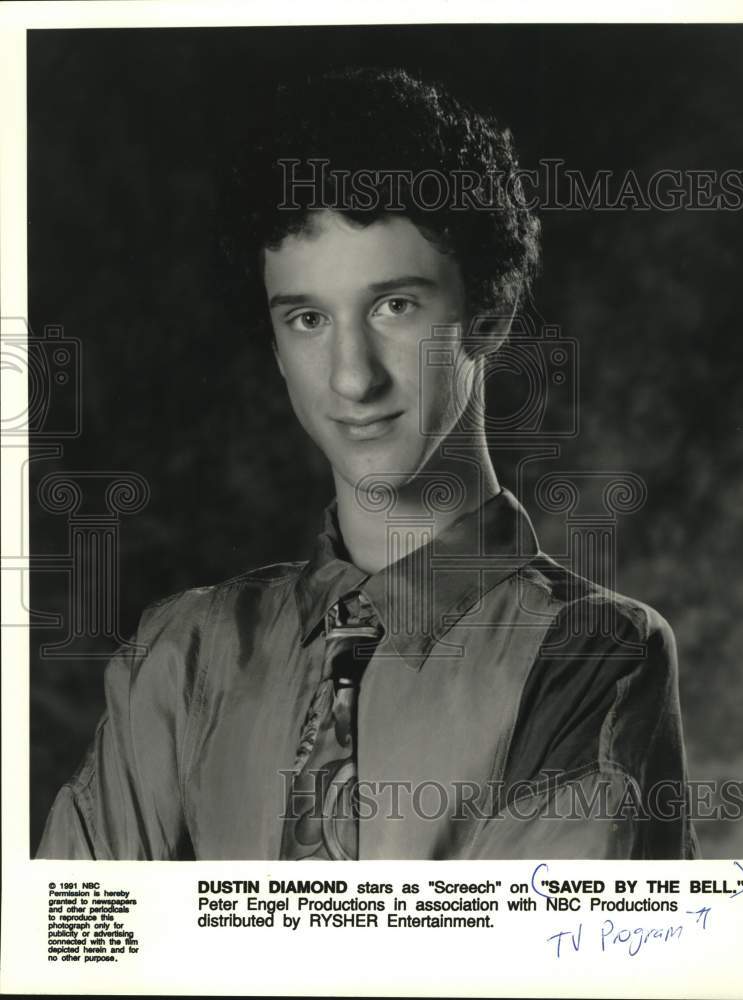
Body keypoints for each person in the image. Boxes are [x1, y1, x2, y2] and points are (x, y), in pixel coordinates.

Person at [36, 67, 698, 860]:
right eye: (308, 318)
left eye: (395, 306)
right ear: (277, 346)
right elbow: (79, 949)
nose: (352, 377)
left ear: (487, 318)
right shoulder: (183, 651)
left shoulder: (588, 652)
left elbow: (531, 971)